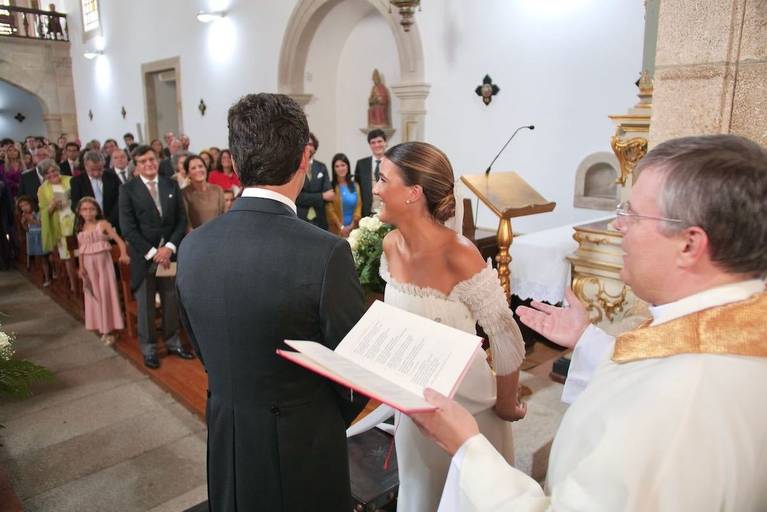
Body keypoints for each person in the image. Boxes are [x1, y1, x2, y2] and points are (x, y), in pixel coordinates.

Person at [411, 134, 767, 512]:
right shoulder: (732, 324)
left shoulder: (682, 401)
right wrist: (587, 340)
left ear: (689, 245)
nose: (617, 225)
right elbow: (652, 373)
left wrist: (468, 448)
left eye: (633, 215)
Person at [176, 93, 368, 511]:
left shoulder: (192, 247)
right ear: (304, 158)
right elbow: (353, 373)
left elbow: (201, 346)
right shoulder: (326, 252)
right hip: (303, 446)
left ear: (235, 161)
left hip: (228, 438)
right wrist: (315, 417)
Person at [367, 141, 527, 512]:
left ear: (413, 193)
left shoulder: (460, 253)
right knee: (420, 493)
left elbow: (504, 334)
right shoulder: (390, 245)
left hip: (467, 405)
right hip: (412, 402)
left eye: (383, 179)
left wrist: (506, 403)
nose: (375, 189)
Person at [119, 144, 193, 369]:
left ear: (158, 160)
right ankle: (149, 348)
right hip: (145, 257)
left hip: (169, 256)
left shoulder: (171, 184)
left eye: (151, 159)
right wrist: (154, 253)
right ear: (136, 165)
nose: (148, 164)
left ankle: (173, 342)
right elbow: (128, 228)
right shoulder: (128, 189)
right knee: (146, 306)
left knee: (171, 302)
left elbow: (181, 219)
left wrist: (169, 247)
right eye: (143, 161)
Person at [75, 197, 129, 345]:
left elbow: (119, 241)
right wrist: (81, 267)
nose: (88, 212)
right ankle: (101, 326)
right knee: (95, 294)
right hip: (89, 266)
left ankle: (109, 328)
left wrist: (123, 254)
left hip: (103, 265)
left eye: (91, 209)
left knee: (106, 293)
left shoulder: (103, 224)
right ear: (79, 212)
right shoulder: (81, 227)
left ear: (97, 210)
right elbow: (81, 249)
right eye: (84, 209)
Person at [37, 159, 77, 292]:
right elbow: (43, 213)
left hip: (76, 220)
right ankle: (73, 284)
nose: (52, 174)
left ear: (58, 170)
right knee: (68, 256)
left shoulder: (70, 180)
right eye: (47, 173)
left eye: (54, 170)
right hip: (60, 225)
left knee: (82, 253)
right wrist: (52, 205)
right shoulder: (42, 189)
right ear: (44, 176)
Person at [70, 150, 121, 229]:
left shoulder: (112, 177)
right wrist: (90, 219)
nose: (96, 173)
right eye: (93, 170)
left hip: (113, 223)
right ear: (85, 166)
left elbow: (120, 200)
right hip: (87, 225)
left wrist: (109, 221)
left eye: (100, 169)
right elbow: (75, 205)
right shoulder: (76, 181)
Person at [296, 132, 334, 230]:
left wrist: (308, 197)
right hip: (300, 218)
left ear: (315, 147)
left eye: (310, 144)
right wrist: (321, 196)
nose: (308, 147)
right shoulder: (295, 166)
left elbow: (329, 195)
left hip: (320, 219)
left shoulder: (321, 167)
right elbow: (297, 196)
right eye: (305, 144)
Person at [182, 154, 224, 230]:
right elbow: (187, 224)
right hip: (195, 235)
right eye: (193, 168)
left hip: (218, 232)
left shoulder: (218, 190)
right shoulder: (184, 193)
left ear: (206, 168)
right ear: (188, 174)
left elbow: (223, 215)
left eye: (201, 166)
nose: (198, 170)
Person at [325, 152, 361, 237]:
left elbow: (359, 206)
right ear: (333, 169)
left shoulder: (355, 186)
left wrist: (352, 225)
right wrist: (341, 227)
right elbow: (330, 210)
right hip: (336, 231)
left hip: (354, 230)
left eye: (343, 165)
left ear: (347, 166)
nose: (340, 168)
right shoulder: (330, 187)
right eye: (337, 166)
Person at [17, 195, 51, 284]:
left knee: (44, 258)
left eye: (26, 204)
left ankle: (48, 277)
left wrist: (30, 219)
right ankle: (42, 276)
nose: (24, 207)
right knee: (38, 259)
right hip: (32, 236)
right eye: (21, 206)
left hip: (40, 236)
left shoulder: (38, 213)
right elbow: (27, 229)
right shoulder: (24, 215)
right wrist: (23, 224)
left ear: (31, 204)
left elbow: (40, 224)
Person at [354, 128, 387, 217]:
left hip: (388, 212)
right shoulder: (361, 164)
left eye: (379, 141)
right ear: (369, 145)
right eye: (373, 142)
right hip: (367, 214)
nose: (377, 145)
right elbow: (357, 189)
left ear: (385, 142)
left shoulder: (393, 163)